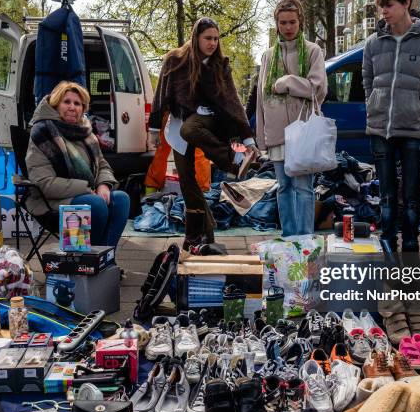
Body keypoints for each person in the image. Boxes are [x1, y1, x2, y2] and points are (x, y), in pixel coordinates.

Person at [149, 17, 258, 251]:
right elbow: (160, 93)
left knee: (192, 128)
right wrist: (154, 128)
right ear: (196, 37)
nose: (213, 43)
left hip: (209, 118)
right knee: (189, 185)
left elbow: (233, 101)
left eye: (216, 39)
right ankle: (199, 237)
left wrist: (247, 139)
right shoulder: (175, 60)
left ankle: (233, 160)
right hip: (179, 124)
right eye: (208, 38)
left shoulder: (219, 65)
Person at [362, 0, 420, 253]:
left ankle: (411, 246)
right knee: (386, 195)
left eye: (389, 6)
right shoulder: (373, 43)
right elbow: (368, 81)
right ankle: (388, 243)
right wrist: (373, 106)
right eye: (381, 7)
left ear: (406, 3)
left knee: (411, 196)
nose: (383, 12)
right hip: (380, 130)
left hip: (415, 129)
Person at [26, 81, 130, 247]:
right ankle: (83, 259)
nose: (72, 107)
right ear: (56, 104)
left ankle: (103, 261)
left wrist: (103, 184)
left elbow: (102, 164)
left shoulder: (86, 132)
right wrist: (87, 189)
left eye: (77, 103)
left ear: (83, 108)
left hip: (85, 193)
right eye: (66, 102)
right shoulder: (42, 132)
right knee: (95, 205)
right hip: (50, 200)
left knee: (121, 200)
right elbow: (44, 183)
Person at [256, 0, 328, 237]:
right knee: (284, 187)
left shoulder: (312, 51)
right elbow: (260, 98)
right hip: (277, 132)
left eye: (292, 22)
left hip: (304, 130)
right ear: (276, 24)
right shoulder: (267, 56)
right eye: (283, 22)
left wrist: (288, 82)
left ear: (301, 23)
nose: (288, 27)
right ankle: (289, 238)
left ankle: (305, 239)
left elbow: (318, 89)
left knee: (303, 188)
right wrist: (261, 138)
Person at [144, 111, 211, 194]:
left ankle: (151, 192)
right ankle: (203, 193)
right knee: (199, 152)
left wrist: (154, 128)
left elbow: (159, 101)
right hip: (192, 112)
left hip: (177, 111)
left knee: (161, 152)